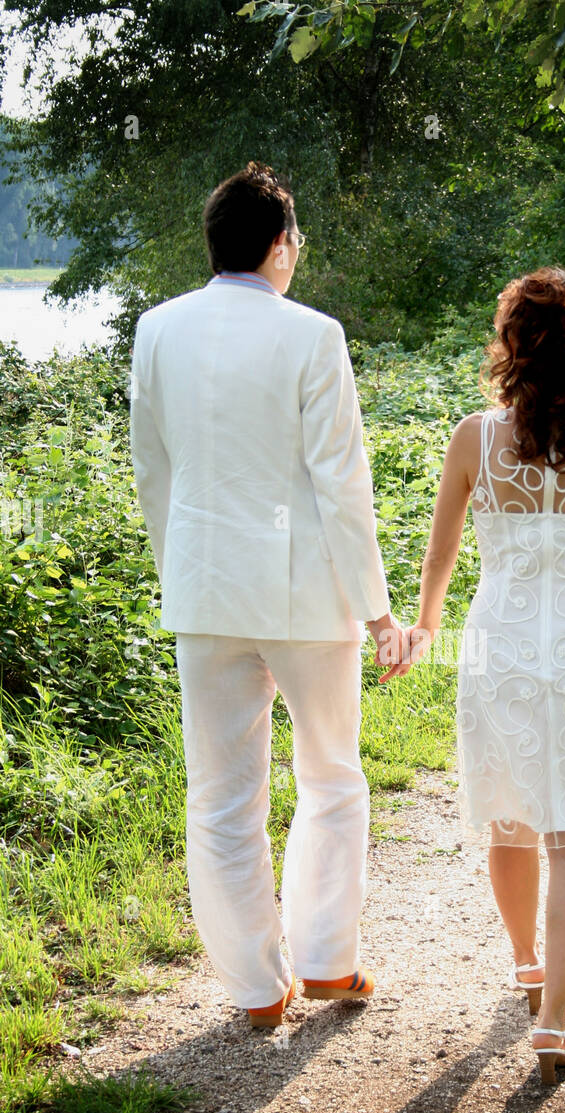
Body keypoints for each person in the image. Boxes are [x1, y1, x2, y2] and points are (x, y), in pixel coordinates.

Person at [130, 161, 407, 1029]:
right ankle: (327, 962)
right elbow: (342, 482)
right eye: (299, 239)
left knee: (219, 793)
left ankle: (256, 987)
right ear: (282, 244)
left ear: (215, 243)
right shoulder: (313, 335)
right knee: (330, 775)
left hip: (205, 592)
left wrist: (181, 568)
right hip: (305, 595)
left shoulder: (156, 329)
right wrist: (377, 606)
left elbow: (153, 468)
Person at [403, 268, 565, 1083]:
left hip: (501, 649)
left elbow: (441, 551)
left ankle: (525, 962)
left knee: (510, 820)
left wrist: (424, 626)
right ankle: (553, 1025)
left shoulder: (475, 438)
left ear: (511, 344)